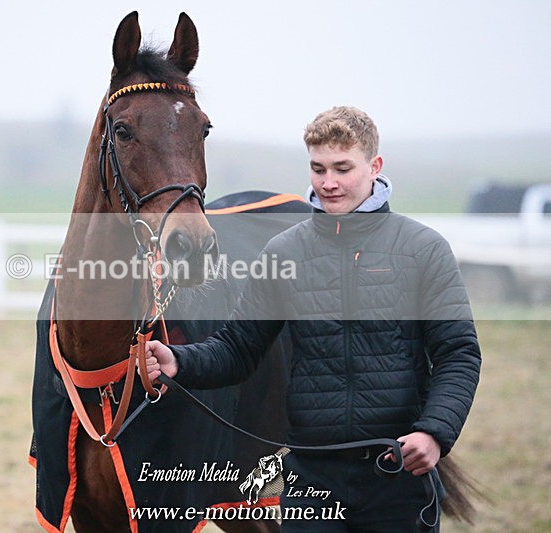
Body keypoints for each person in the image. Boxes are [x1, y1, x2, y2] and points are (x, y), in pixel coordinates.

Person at [142, 106, 481, 531]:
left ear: (374, 166)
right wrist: (180, 361)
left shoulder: (423, 249)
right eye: (318, 168)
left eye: (343, 168)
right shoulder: (284, 252)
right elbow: (238, 348)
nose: (329, 183)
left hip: (397, 475)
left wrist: (434, 432)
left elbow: (459, 355)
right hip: (312, 479)